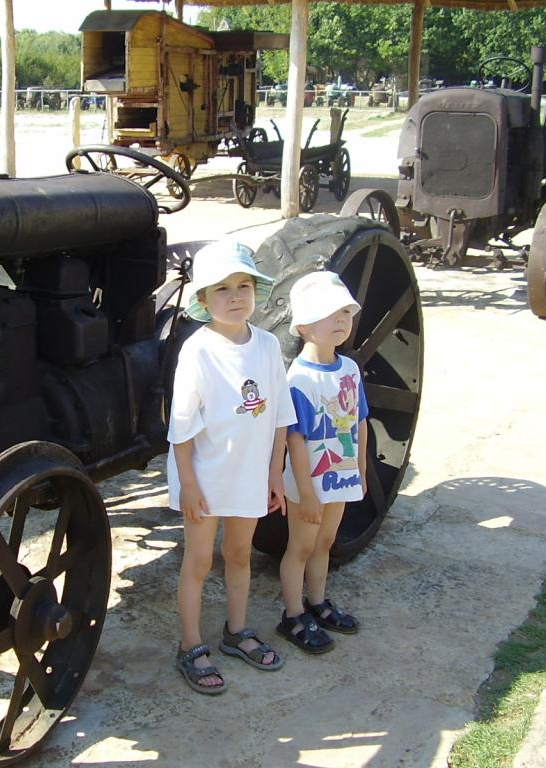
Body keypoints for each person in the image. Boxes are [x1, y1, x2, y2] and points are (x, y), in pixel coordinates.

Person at [169, 240, 295, 695]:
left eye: (244, 285)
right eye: (221, 288)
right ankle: (190, 644)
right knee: (200, 560)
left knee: (240, 554)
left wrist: (274, 473)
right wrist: (188, 485)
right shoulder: (198, 351)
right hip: (205, 476)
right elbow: (181, 427)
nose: (235, 296)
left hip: (250, 473)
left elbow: (279, 415)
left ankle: (236, 631)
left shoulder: (267, 345)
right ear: (203, 300)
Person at [277, 271, 366, 654]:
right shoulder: (299, 379)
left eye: (346, 311)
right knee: (300, 546)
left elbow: (360, 420)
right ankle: (293, 614)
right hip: (309, 483)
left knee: (325, 542)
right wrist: (306, 492)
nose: (342, 319)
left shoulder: (350, 370)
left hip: (341, 476)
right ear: (304, 326)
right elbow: (295, 439)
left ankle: (317, 602)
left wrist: (361, 470)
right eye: (331, 313)